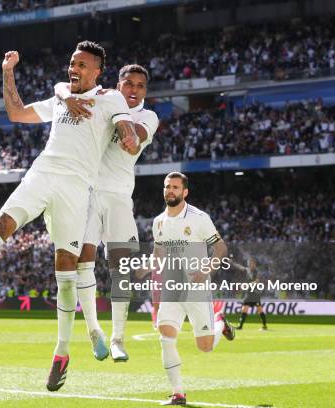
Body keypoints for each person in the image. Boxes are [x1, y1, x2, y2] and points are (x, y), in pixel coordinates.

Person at [0, 40, 139, 392]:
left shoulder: (111, 97)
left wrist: (129, 135)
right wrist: (8, 73)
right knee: (0, 225)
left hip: (75, 189)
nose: (74, 68)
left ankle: (62, 352)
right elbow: (16, 113)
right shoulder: (59, 99)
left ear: (98, 71)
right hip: (41, 174)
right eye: (72, 62)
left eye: (82, 65)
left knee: (66, 271)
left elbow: (124, 126)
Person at [53, 64, 159, 362]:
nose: (134, 90)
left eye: (140, 86)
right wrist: (68, 94)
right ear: (119, 84)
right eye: (129, 84)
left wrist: (124, 127)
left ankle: (118, 339)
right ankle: (93, 331)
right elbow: (63, 89)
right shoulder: (102, 101)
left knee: (120, 269)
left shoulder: (148, 116)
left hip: (118, 197)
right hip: (86, 194)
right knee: (81, 262)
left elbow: (133, 140)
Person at [153, 172, 235, 406]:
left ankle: (221, 324)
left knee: (205, 347)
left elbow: (220, 248)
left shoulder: (199, 218)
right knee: (166, 337)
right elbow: (158, 253)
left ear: (185, 192)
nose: (170, 190)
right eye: (167, 186)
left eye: (175, 187)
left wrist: (206, 270)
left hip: (197, 289)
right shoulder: (158, 222)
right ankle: (178, 393)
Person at [237, 258, 268, 330]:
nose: (249, 264)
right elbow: (239, 267)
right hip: (248, 294)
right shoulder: (247, 270)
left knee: (260, 310)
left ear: (254, 264)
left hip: (255, 294)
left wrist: (247, 285)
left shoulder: (257, 272)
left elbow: (257, 281)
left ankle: (264, 326)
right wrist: (232, 262)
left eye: (251, 263)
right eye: (249, 263)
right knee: (244, 309)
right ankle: (240, 326)